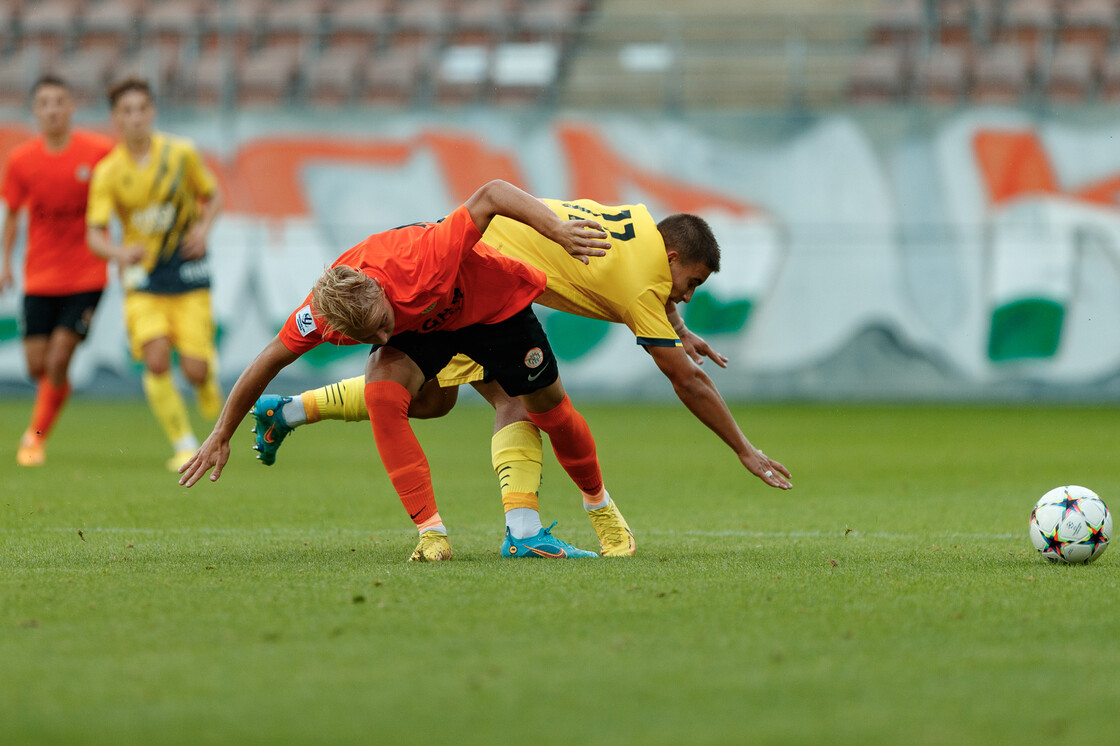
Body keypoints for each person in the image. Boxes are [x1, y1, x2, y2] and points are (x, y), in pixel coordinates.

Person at [250, 198, 793, 556]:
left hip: (490, 280)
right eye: (690, 283)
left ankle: (289, 410)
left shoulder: (640, 224)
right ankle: (524, 531)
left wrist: (676, 321)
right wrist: (745, 449)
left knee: (441, 401)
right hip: (478, 285)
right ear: (672, 256)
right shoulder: (640, 283)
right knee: (511, 401)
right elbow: (689, 382)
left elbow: (650, 284)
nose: (688, 294)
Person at [178, 180, 618, 563]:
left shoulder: (423, 260)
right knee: (385, 393)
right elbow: (269, 358)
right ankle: (434, 534)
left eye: (382, 324)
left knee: (539, 409)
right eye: (370, 336)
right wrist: (220, 432)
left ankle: (601, 508)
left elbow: (492, 193)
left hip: (489, 306)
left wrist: (559, 231)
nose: (383, 339)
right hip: (426, 329)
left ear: (379, 289)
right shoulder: (323, 316)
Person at [85, 77, 223, 471]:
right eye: (127, 111)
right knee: (157, 359)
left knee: (195, 369)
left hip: (187, 269)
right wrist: (118, 251)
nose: (135, 118)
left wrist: (202, 229)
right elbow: (94, 235)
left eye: (142, 109)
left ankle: (207, 388)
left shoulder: (181, 154)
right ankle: (184, 444)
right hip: (143, 278)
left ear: (152, 112)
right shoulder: (109, 171)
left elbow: (213, 197)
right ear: (116, 119)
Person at [0, 75, 115, 466]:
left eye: (59, 101)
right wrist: (5, 265)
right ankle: (52, 400)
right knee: (37, 365)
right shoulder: (22, 160)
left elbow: (126, 189)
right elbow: (12, 214)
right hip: (40, 277)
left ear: (71, 107)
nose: (52, 109)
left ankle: (34, 438)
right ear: (35, 111)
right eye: (44, 102)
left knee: (59, 358)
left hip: (87, 274)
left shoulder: (98, 152)